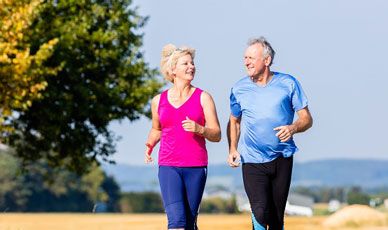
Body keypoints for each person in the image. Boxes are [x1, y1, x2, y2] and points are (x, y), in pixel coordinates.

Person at [227, 37, 313, 230]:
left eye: (251, 57)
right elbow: (234, 120)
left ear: (266, 61)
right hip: (252, 159)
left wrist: (292, 128)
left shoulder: (288, 83)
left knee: (275, 217)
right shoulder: (239, 88)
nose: (246, 62)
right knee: (260, 210)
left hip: (282, 158)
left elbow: (307, 119)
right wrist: (232, 148)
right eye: (245, 57)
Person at [145, 44, 221, 230]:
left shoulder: (204, 98)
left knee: (188, 221)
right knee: (176, 221)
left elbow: (217, 134)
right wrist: (150, 145)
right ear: (172, 70)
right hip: (168, 165)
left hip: (196, 166)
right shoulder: (158, 101)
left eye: (192, 63)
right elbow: (157, 129)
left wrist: (199, 129)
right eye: (185, 63)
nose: (191, 67)